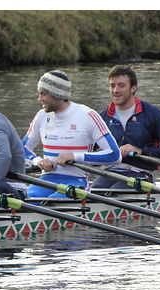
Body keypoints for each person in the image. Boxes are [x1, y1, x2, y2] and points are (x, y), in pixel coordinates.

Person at [22, 70, 122, 198]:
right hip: (46, 178)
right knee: (28, 198)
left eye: (43, 94)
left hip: (76, 181)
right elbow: (22, 149)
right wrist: (38, 161)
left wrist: (75, 156)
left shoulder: (87, 116)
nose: (39, 99)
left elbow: (115, 155)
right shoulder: (41, 116)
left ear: (56, 94)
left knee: (54, 202)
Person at [91, 65, 160, 189]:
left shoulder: (152, 114)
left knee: (115, 192)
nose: (115, 90)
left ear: (133, 88)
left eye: (121, 86)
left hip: (141, 173)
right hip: (109, 171)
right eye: (112, 86)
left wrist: (140, 151)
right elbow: (88, 150)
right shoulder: (102, 117)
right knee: (94, 192)